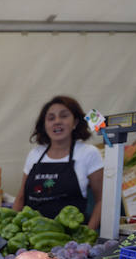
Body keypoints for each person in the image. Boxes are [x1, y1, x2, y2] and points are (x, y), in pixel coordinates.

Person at [13, 96, 104, 230]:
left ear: (75, 122)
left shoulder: (88, 153)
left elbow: (101, 200)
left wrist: (87, 236)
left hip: (70, 240)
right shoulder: (35, 154)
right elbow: (21, 197)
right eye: (51, 118)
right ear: (44, 125)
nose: (57, 122)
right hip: (32, 235)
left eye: (64, 116)